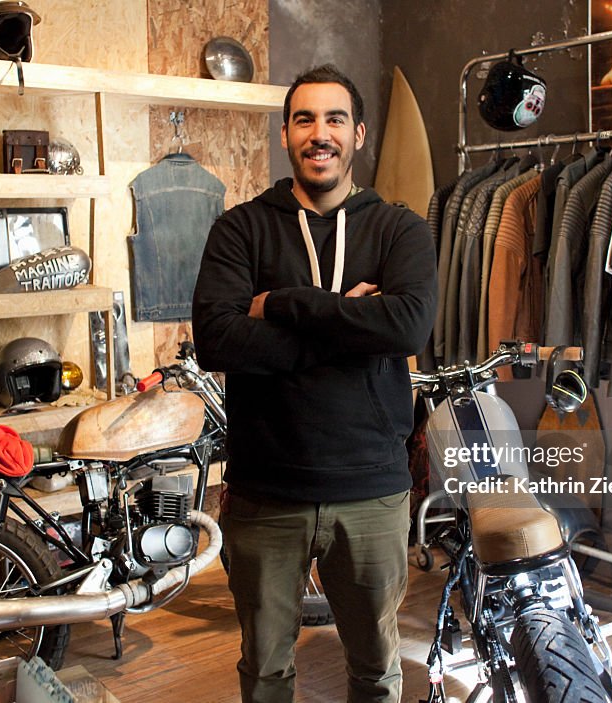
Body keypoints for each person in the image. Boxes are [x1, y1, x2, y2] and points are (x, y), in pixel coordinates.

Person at [192, 64, 437, 702]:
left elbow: (407, 327)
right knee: (266, 673)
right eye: (304, 119)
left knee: (376, 674)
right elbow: (217, 340)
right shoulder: (240, 229)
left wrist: (279, 304)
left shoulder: (398, 228)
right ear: (285, 135)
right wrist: (354, 323)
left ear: (358, 134)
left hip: (372, 492)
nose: (318, 133)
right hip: (265, 492)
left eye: (334, 119)